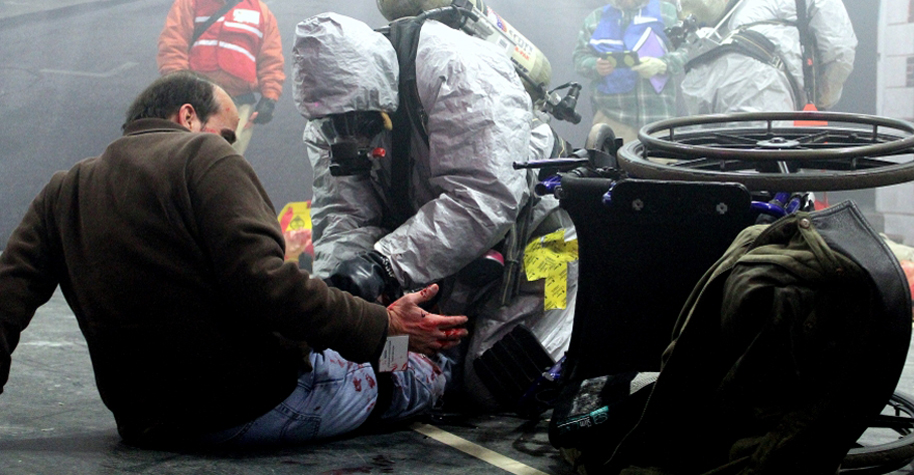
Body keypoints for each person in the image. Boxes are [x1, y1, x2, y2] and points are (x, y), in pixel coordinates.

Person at [0, 71, 468, 448]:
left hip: (146, 426)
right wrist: (384, 324)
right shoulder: (203, 155)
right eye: (227, 133)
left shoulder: (63, 190)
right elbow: (269, 287)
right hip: (252, 408)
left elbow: (7, 299)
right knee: (421, 368)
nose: (233, 146)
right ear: (187, 115)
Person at [292, 13, 578, 411]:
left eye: (359, 122)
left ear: (382, 90)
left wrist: (383, 264)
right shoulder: (329, 120)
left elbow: (485, 198)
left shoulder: (457, 67)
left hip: (541, 237)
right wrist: (343, 305)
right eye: (334, 124)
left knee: (499, 383)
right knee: (400, 363)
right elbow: (344, 215)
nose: (348, 135)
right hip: (444, 252)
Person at [676, 0, 857, 114]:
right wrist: (820, 100)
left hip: (701, 82)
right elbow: (839, 50)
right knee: (766, 169)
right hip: (760, 85)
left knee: (714, 169)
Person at [157, 0, 285, 155]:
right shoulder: (190, 3)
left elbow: (271, 59)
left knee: (225, 163)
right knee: (186, 158)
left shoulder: (260, 12)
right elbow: (172, 46)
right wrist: (180, 87)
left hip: (238, 105)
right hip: (195, 101)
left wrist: (269, 98)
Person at [573, 0, 687, 144]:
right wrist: (595, 66)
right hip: (612, 120)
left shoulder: (667, 12)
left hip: (659, 120)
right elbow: (579, 57)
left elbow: (686, 49)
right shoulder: (595, 19)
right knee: (611, 166)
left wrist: (662, 64)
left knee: (660, 166)